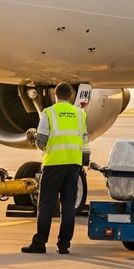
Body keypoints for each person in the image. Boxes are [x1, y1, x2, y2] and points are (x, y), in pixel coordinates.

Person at [22, 83, 89, 255]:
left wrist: (36, 141)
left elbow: (42, 140)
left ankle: (40, 243)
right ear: (72, 96)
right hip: (74, 164)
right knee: (68, 205)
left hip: (53, 164)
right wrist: (84, 162)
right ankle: (64, 245)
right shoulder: (80, 114)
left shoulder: (49, 113)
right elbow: (85, 140)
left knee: (46, 204)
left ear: (55, 95)